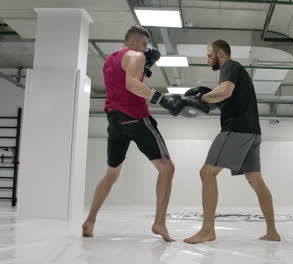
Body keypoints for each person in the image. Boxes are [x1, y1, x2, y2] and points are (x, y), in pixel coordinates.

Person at [82, 25, 177, 242]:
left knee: (112, 174)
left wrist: (145, 67)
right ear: (133, 42)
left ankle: (90, 221)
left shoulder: (109, 60)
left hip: (114, 120)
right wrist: (162, 98)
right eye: (144, 44)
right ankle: (159, 222)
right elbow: (132, 84)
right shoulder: (136, 55)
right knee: (167, 167)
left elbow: (123, 81)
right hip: (135, 117)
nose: (146, 49)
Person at [183, 39, 281, 244]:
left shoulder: (229, 66)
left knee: (206, 172)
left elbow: (224, 92)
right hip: (253, 132)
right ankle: (272, 232)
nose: (207, 59)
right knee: (255, 179)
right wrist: (208, 99)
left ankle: (207, 230)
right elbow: (226, 97)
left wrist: (200, 99)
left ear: (220, 53)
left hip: (237, 130)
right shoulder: (236, 73)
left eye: (209, 55)